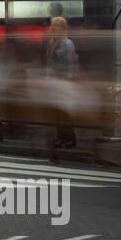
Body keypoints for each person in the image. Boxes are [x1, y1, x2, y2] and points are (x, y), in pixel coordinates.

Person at [44, 16, 77, 151]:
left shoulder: (67, 43)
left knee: (65, 112)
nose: (55, 29)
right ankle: (61, 137)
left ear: (64, 28)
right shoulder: (52, 42)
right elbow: (49, 63)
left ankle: (69, 138)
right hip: (54, 81)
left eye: (58, 26)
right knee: (58, 112)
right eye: (54, 26)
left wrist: (69, 80)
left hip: (64, 81)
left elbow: (70, 64)